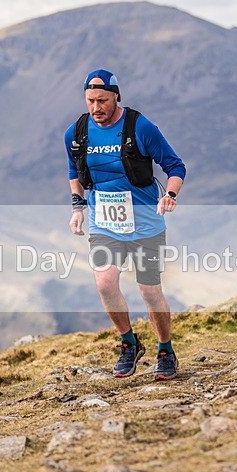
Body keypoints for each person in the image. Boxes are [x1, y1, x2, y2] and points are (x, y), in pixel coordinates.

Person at [64, 69, 186, 380]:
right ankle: (129, 343)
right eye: (91, 101)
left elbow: (175, 166)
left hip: (145, 224)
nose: (96, 107)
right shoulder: (77, 132)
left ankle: (165, 350)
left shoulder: (140, 127)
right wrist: (78, 208)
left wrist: (170, 194)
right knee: (105, 283)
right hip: (104, 223)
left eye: (102, 101)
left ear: (116, 96)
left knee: (149, 291)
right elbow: (74, 172)